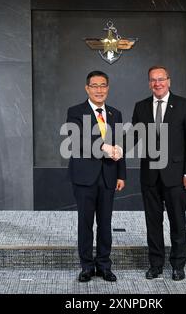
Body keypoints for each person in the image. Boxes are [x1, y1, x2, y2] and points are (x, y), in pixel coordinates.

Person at [131, 65, 186, 281]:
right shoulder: (141, 107)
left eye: (161, 79)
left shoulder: (184, 105)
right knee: (153, 222)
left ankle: (178, 265)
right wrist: (116, 149)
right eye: (153, 80)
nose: (157, 83)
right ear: (149, 83)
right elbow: (134, 137)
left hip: (177, 176)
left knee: (177, 222)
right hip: (150, 176)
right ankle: (156, 264)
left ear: (169, 81)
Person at [67, 71, 126, 282]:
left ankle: (103, 265)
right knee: (85, 223)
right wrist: (104, 147)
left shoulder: (115, 114)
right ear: (87, 88)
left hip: (109, 176)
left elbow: (120, 146)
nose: (99, 90)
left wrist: (121, 174)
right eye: (94, 86)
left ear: (108, 88)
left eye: (103, 86)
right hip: (84, 177)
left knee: (105, 223)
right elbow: (78, 140)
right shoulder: (75, 112)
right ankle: (86, 266)